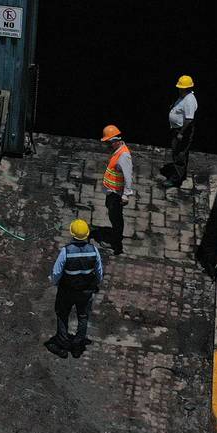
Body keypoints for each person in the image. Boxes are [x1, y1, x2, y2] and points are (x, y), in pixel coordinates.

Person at [45, 219, 103, 359]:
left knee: (62, 314)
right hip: (86, 292)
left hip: (67, 291)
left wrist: (54, 282)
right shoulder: (94, 251)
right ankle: (77, 346)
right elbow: (99, 273)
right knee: (83, 316)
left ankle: (63, 345)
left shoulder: (66, 252)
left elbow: (57, 273)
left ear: (72, 234)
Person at [100, 124, 133, 255]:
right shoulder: (117, 151)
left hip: (117, 194)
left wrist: (126, 195)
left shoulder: (124, 156)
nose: (107, 145)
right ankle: (115, 236)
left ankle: (116, 245)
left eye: (108, 142)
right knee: (113, 214)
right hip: (111, 192)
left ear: (115, 141)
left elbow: (128, 177)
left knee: (116, 218)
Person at [166, 75, 198, 189]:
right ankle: (180, 174)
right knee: (178, 152)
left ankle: (176, 180)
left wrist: (181, 133)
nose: (179, 89)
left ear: (186, 88)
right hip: (176, 129)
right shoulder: (183, 96)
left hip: (182, 131)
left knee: (180, 154)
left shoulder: (189, 100)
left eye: (181, 87)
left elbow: (189, 119)